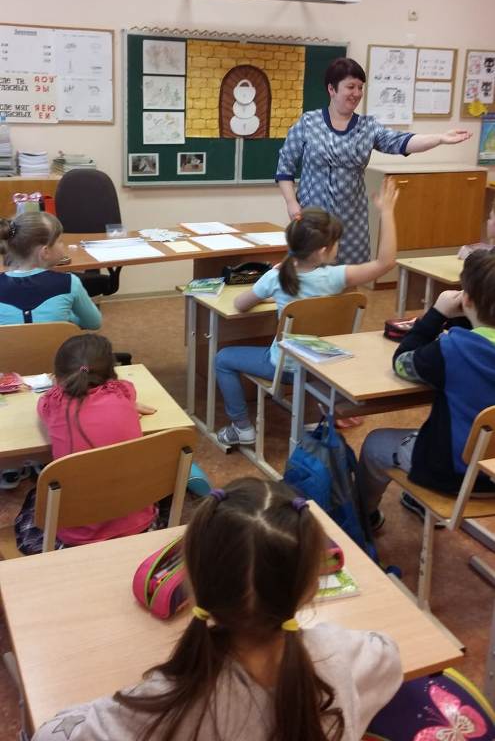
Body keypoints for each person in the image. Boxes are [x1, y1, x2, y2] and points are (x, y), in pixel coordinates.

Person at [32, 478, 403, 741]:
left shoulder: (162, 703)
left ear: (191, 584)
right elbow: (388, 655)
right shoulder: (337, 652)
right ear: (309, 589)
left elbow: (50, 735)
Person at [215, 177, 398, 448]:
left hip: (285, 367)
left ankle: (241, 428)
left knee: (223, 358)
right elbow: (386, 262)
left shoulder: (275, 278)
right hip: (324, 366)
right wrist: (387, 212)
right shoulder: (336, 277)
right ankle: (312, 421)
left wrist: (270, 281)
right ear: (323, 251)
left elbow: (240, 304)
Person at [276, 57, 472, 264]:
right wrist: (291, 203)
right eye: (350, 87)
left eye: (360, 87)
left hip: (352, 223)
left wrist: (440, 138)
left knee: (352, 277)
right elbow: (285, 165)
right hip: (312, 220)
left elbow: (402, 142)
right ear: (332, 89)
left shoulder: (368, 127)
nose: (356, 93)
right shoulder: (308, 122)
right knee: (308, 273)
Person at [357, 249, 495, 531]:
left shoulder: (454, 350)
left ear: (466, 299)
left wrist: (436, 314)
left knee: (375, 444)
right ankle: (416, 501)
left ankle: (363, 518)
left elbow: (402, 363)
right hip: (492, 472)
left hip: (455, 474)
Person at [16, 333, 157, 552]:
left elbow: (42, 406)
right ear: (112, 371)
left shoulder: (53, 402)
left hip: (75, 537)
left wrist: (57, 386)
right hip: (138, 525)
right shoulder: (123, 391)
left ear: (58, 375)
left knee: (37, 496)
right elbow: (127, 389)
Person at [0, 211, 101, 328]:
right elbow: (94, 323)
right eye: (60, 241)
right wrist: (66, 318)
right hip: (59, 341)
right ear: (45, 252)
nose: (62, 245)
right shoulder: (70, 283)